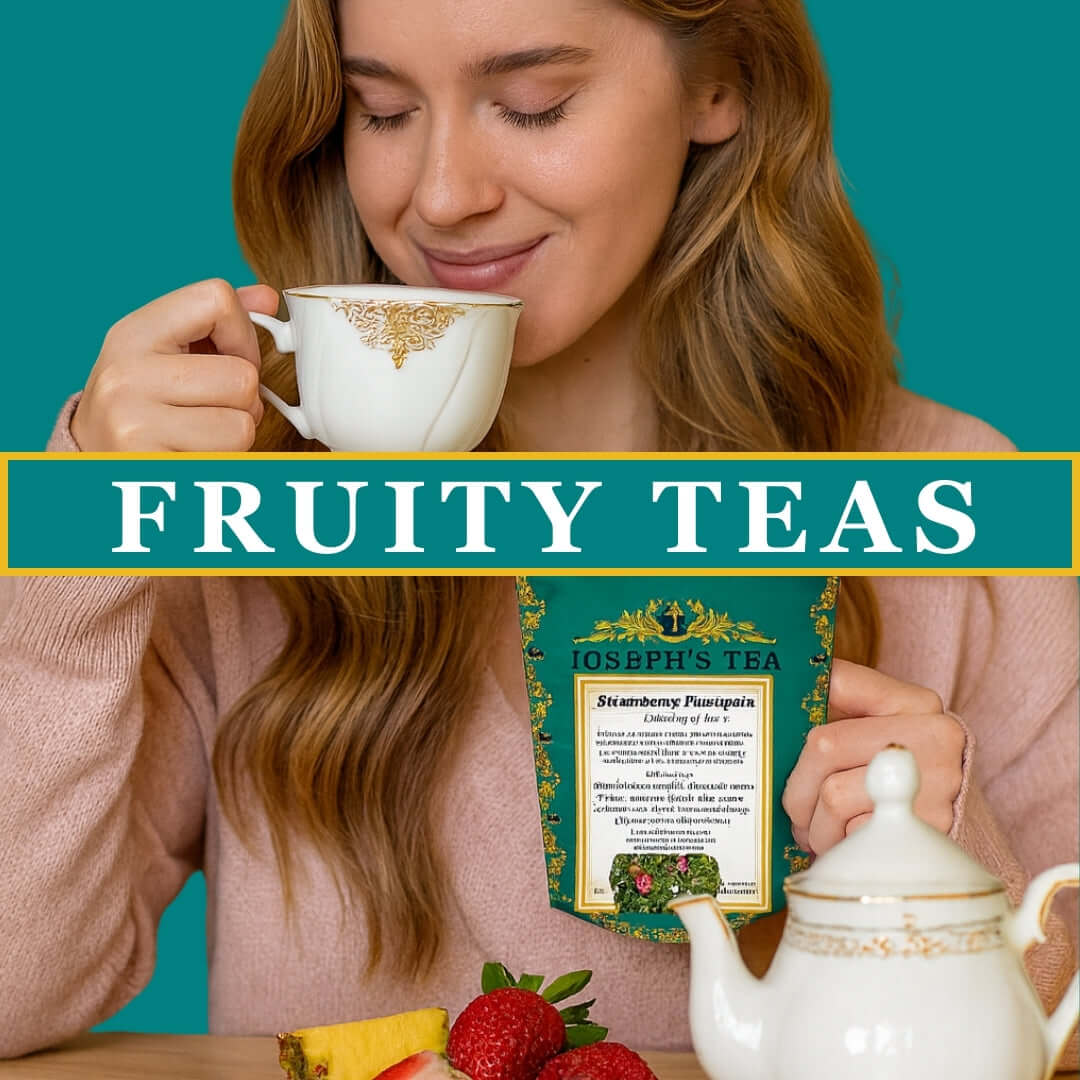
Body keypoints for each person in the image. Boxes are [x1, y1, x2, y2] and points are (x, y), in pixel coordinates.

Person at [1, 0, 1076, 1063]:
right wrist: (80, 538)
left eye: (532, 104)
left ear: (720, 84)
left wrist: (935, 876)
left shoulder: (950, 498)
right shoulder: (236, 515)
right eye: (380, 112)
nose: (441, 196)